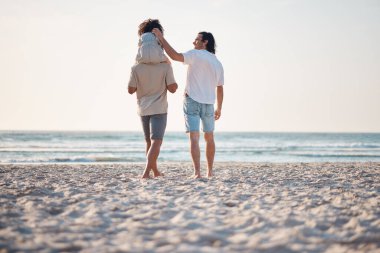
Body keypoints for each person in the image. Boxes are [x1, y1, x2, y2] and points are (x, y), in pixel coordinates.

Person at [152, 28, 224, 178]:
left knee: (194, 137)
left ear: (205, 42)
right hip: (209, 103)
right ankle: (209, 172)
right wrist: (219, 108)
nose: (194, 42)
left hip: (192, 100)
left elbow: (174, 55)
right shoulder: (217, 62)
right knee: (209, 137)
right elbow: (220, 88)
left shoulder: (195, 54)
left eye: (197, 39)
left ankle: (197, 173)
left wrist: (160, 37)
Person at [128, 19, 178, 179]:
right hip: (159, 109)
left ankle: (155, 171)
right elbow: (173, 89)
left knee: (149, 142)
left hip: (143, 109)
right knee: (157, 141)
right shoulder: (165, 66)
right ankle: (146, 172)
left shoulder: (136, 67)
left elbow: (130, 90)